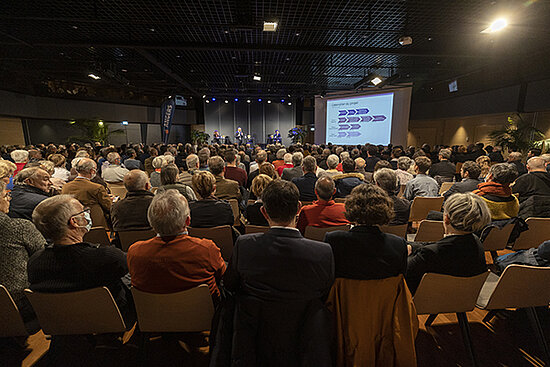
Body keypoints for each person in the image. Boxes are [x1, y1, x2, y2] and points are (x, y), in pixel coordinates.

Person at [218, 180, 334, 366]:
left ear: (264, 212)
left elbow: (230, 285)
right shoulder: (322, 252)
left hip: (255, 342)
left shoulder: (245, 245)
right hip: (305, 343)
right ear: (298, 208)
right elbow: (325, 294)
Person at [28, 195, 133, 324]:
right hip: (110, 320)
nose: (87, 215)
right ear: (74, 222)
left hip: (63, 323)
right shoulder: (107, 257)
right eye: (83, 211)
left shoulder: (34, 262)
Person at [127, 190, 226, 300]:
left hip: (154, 315)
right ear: (187, 221)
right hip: (205, 313)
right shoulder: (206, 249)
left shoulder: (134, 252)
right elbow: (223, 276)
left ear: (152, 223)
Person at [406, 193, 491, 294]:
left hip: (427, 298)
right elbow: (439, 245)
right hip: (461, 297)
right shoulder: (477, 243)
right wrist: (413, 246)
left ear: (446, 219)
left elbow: (406, 272)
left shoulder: (430, 253)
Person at [324, 184, 407, 280]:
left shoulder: (334, 240)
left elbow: (327, 277)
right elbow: (401, 280)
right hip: (384, 294)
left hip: (344, 294)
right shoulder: (398, 244)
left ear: (351, 207)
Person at [0, 181, 46, 328]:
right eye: (6, 195)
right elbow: (45, 257)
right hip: (19, 306)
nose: (9, 199)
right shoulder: (19, 227)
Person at [62, 158, 113, 226]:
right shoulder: (97, 188)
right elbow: (108, 207)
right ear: (92, 171)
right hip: (96, 223)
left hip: (73, 224)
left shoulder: (65, 187)